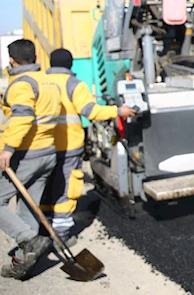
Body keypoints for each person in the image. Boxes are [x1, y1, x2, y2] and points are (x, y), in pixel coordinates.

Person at [42, 49, 136, 244]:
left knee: (45, 185)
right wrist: (119, 110)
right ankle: (60, 233)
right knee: (66, 186)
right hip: (67, 145)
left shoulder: (40, 83)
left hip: (42, 145)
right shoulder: (74, 84)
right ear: (70, 65)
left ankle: (43, 229)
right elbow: (90, 111)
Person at [0, 39, 61, 279]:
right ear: (35, 57)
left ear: (12, 61)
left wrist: (7, 149)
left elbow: (23, 117)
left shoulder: (21, 85)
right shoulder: (47, 81)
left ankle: (28, 240)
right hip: (48, 152)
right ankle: (21, 261)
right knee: (28, 208)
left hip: (26, 154)